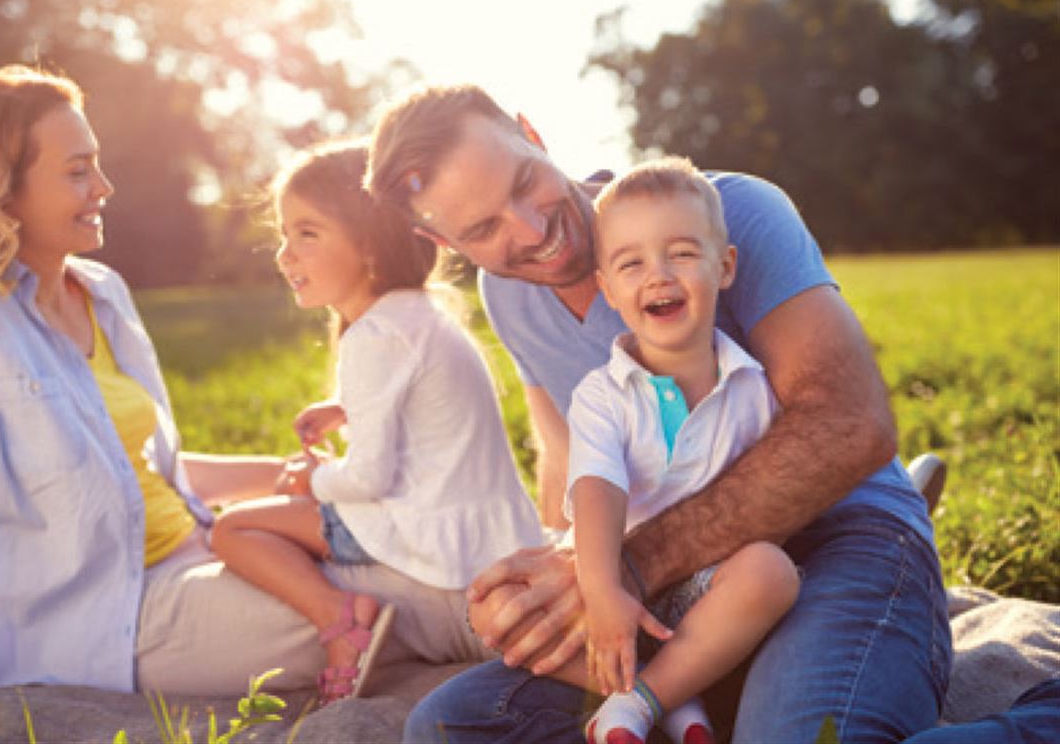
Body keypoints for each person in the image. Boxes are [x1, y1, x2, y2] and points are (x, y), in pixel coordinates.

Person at [0, 67, 521, 697]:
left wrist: (284, 474)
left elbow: (144, 473)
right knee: (391, 592)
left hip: (195, 554)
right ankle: (527, 622)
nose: (104, 187)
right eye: (77, 170)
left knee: (386, 556)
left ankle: (528, 605)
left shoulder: (101, 293)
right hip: (108, 620)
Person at [365, 84, 952, 743]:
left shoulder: (728, 211)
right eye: (481, 229)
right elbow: (567, 457)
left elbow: (850, 426)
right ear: (438, 238)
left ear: (531, 132)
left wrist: (631, 565)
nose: (532, 230)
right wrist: (561, 581)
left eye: (525, 181)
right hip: (677, 594)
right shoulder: (506, 295)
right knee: (447, 728)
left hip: (839, 537)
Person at [208, 142, 544, 705]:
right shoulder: (421, 314)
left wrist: (308, 480)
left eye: (307, 234)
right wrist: (344, 406)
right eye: (285, 235)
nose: (285, 255)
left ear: (368, 246)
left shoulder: (373, 337)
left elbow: (368, 480)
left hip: (427, 535)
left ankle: (341, 619)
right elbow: (417, 399)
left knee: (233, 529)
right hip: (489, 531)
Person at [568, 159, 799, 744]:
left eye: (682, 254)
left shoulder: (754, 387)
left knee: (772, 571)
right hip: (618, 581)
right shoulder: (602, 394)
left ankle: (639, 702)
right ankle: (679, 698)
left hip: (710, 592)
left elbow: (773, 494)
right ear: (609, 289)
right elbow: (596, 488)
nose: (659, 276)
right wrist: (602, 592)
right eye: (632, 263)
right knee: (504, 610)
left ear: (724, 268)